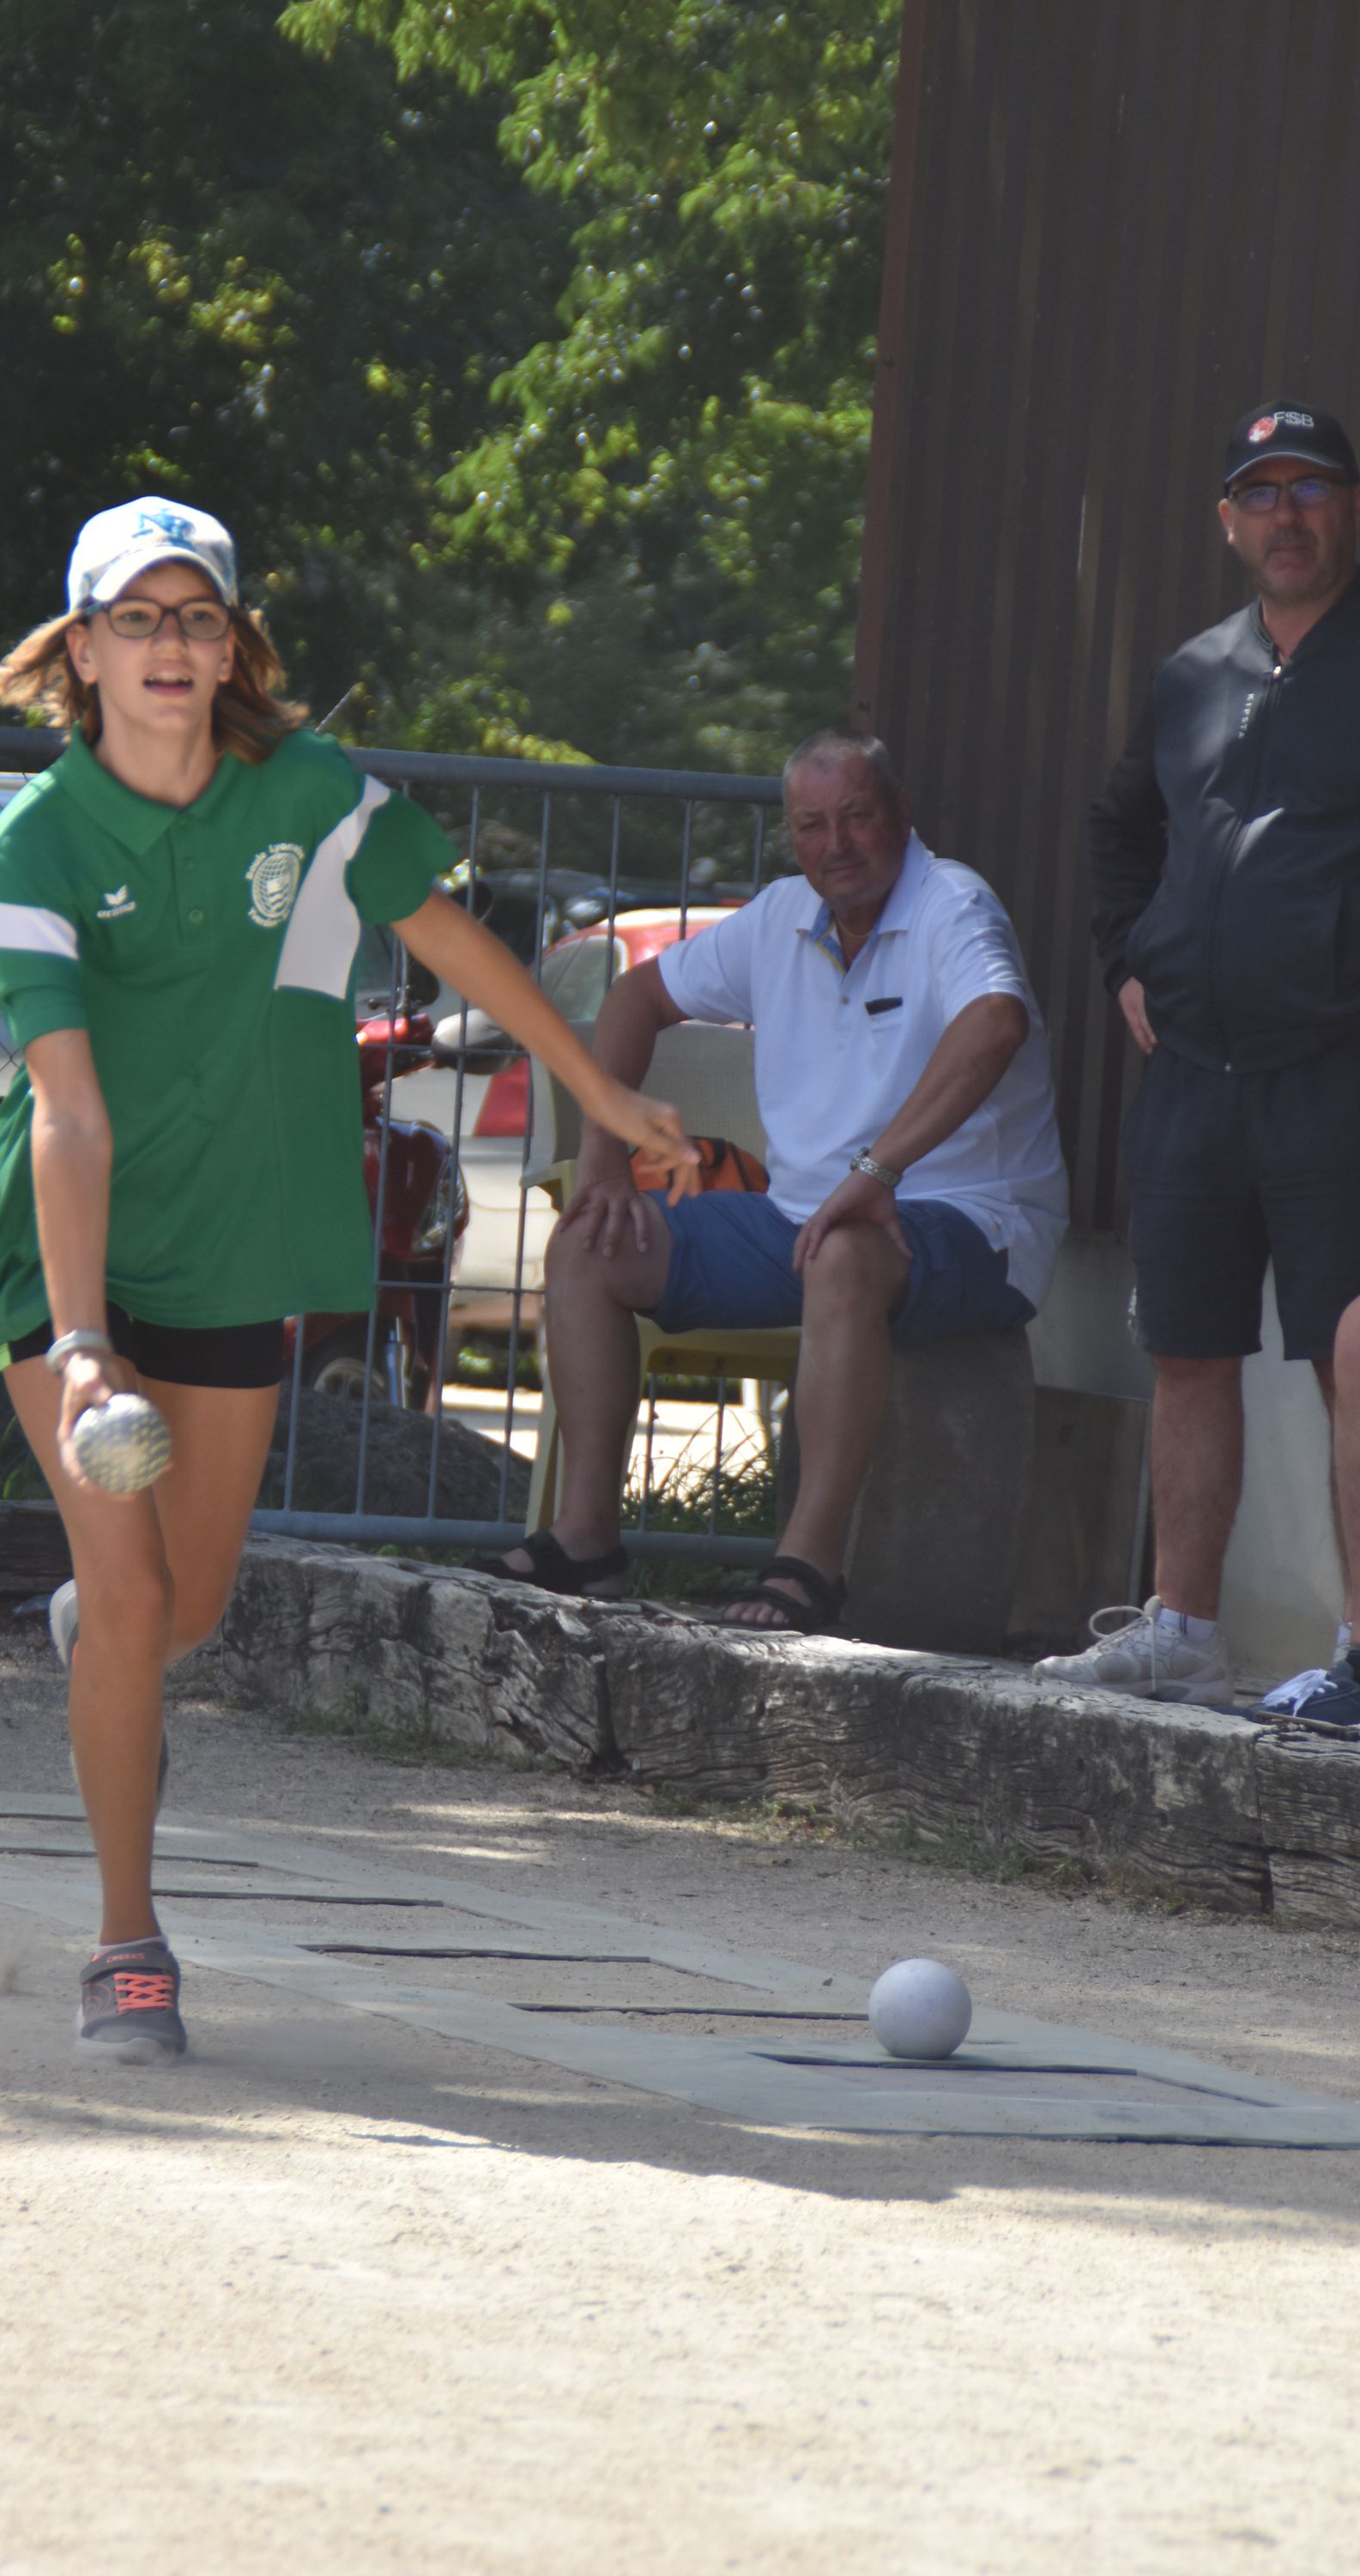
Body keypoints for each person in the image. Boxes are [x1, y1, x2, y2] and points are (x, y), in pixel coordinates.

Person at [0, 496, 698, 2065]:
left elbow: (457, 943)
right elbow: (69, 1112)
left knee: (188, 1606)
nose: (168, 645)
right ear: (81, 651)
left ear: (231, 645)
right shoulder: (33, 843)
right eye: (135, 618)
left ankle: (106, 1643)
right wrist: (83, 1340)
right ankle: (126, 1946)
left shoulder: (309, 796)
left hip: (239, 1236)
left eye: (196, 616)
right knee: (133, 1595)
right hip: (68, 1250)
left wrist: (601, 1093)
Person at [476, 729, 1067, 1626]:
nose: (837, 844)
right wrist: (604, 1156)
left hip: (974, 1222)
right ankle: (587, 1541)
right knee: (588, 1245)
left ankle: (807, 1568)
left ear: (902, 814)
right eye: (811, 825)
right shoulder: (781, 915)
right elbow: (637, 997)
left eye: (857, 816)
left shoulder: (952, 901)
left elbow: (995, 1023)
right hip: (801, 1219)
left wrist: (878, 1170)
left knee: (841, 1251)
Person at [1050, 403, 1360, 1714]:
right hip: (1193, 1077)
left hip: (1332, 1070)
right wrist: (1128, 961)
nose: (1287, 515)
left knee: (1352, 1350)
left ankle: (1358, 1655)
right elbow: (1118, 830)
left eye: (1311, 488)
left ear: (1348, 509)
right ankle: (1182, 1630)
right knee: (1185, 1348)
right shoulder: (1191, 674)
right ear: (1228, 520)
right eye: (1261, 493)